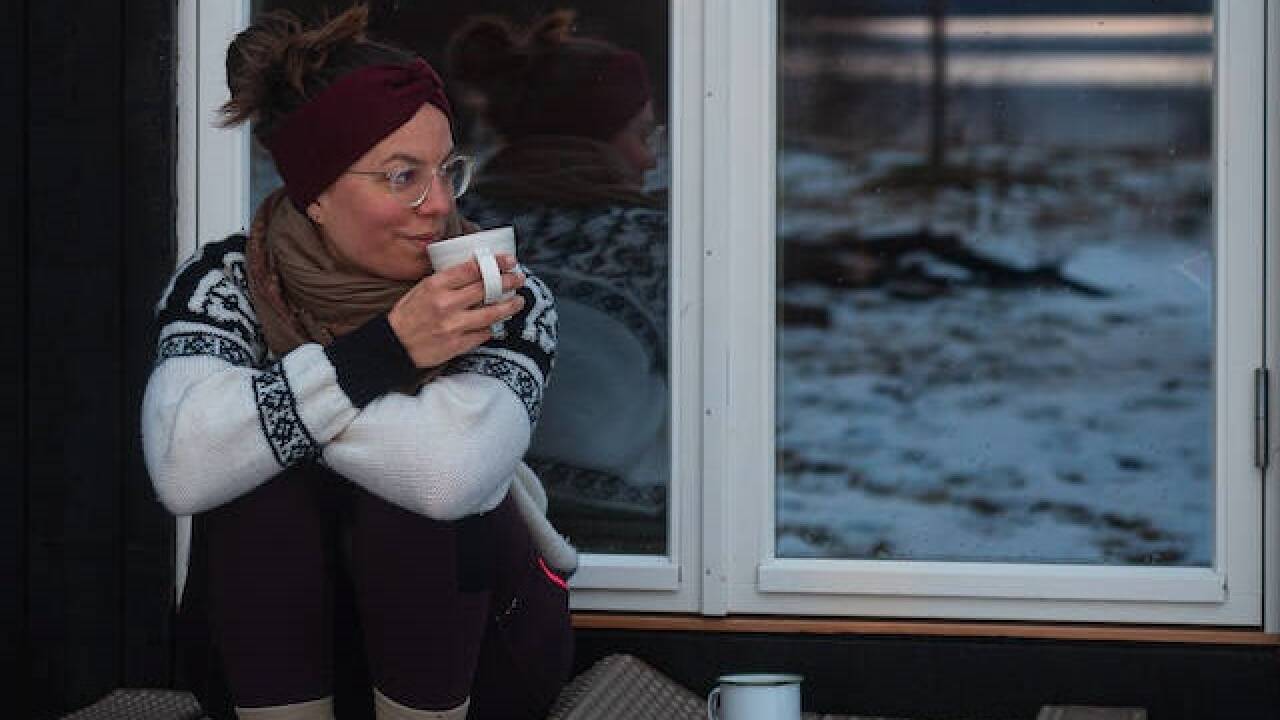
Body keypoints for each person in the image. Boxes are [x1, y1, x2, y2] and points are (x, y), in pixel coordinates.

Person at [140, 7, 574, 720]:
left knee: (376, 491)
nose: (437, 205)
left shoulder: (495, 289)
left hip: (480, 663)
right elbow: (184, 467)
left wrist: (266, 420)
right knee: (255, 491)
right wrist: (388, 351)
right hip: (262, 671)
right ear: (315, 193)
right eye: (402, 176)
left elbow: (448, 475)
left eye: (445, 170)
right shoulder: (229, 282)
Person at [448, 11, 670, 553]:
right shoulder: (657, 242)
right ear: (594, 139)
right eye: (643, 135)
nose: (650, 158)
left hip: (473, 522)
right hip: (632, 542)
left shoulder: (458, 230)